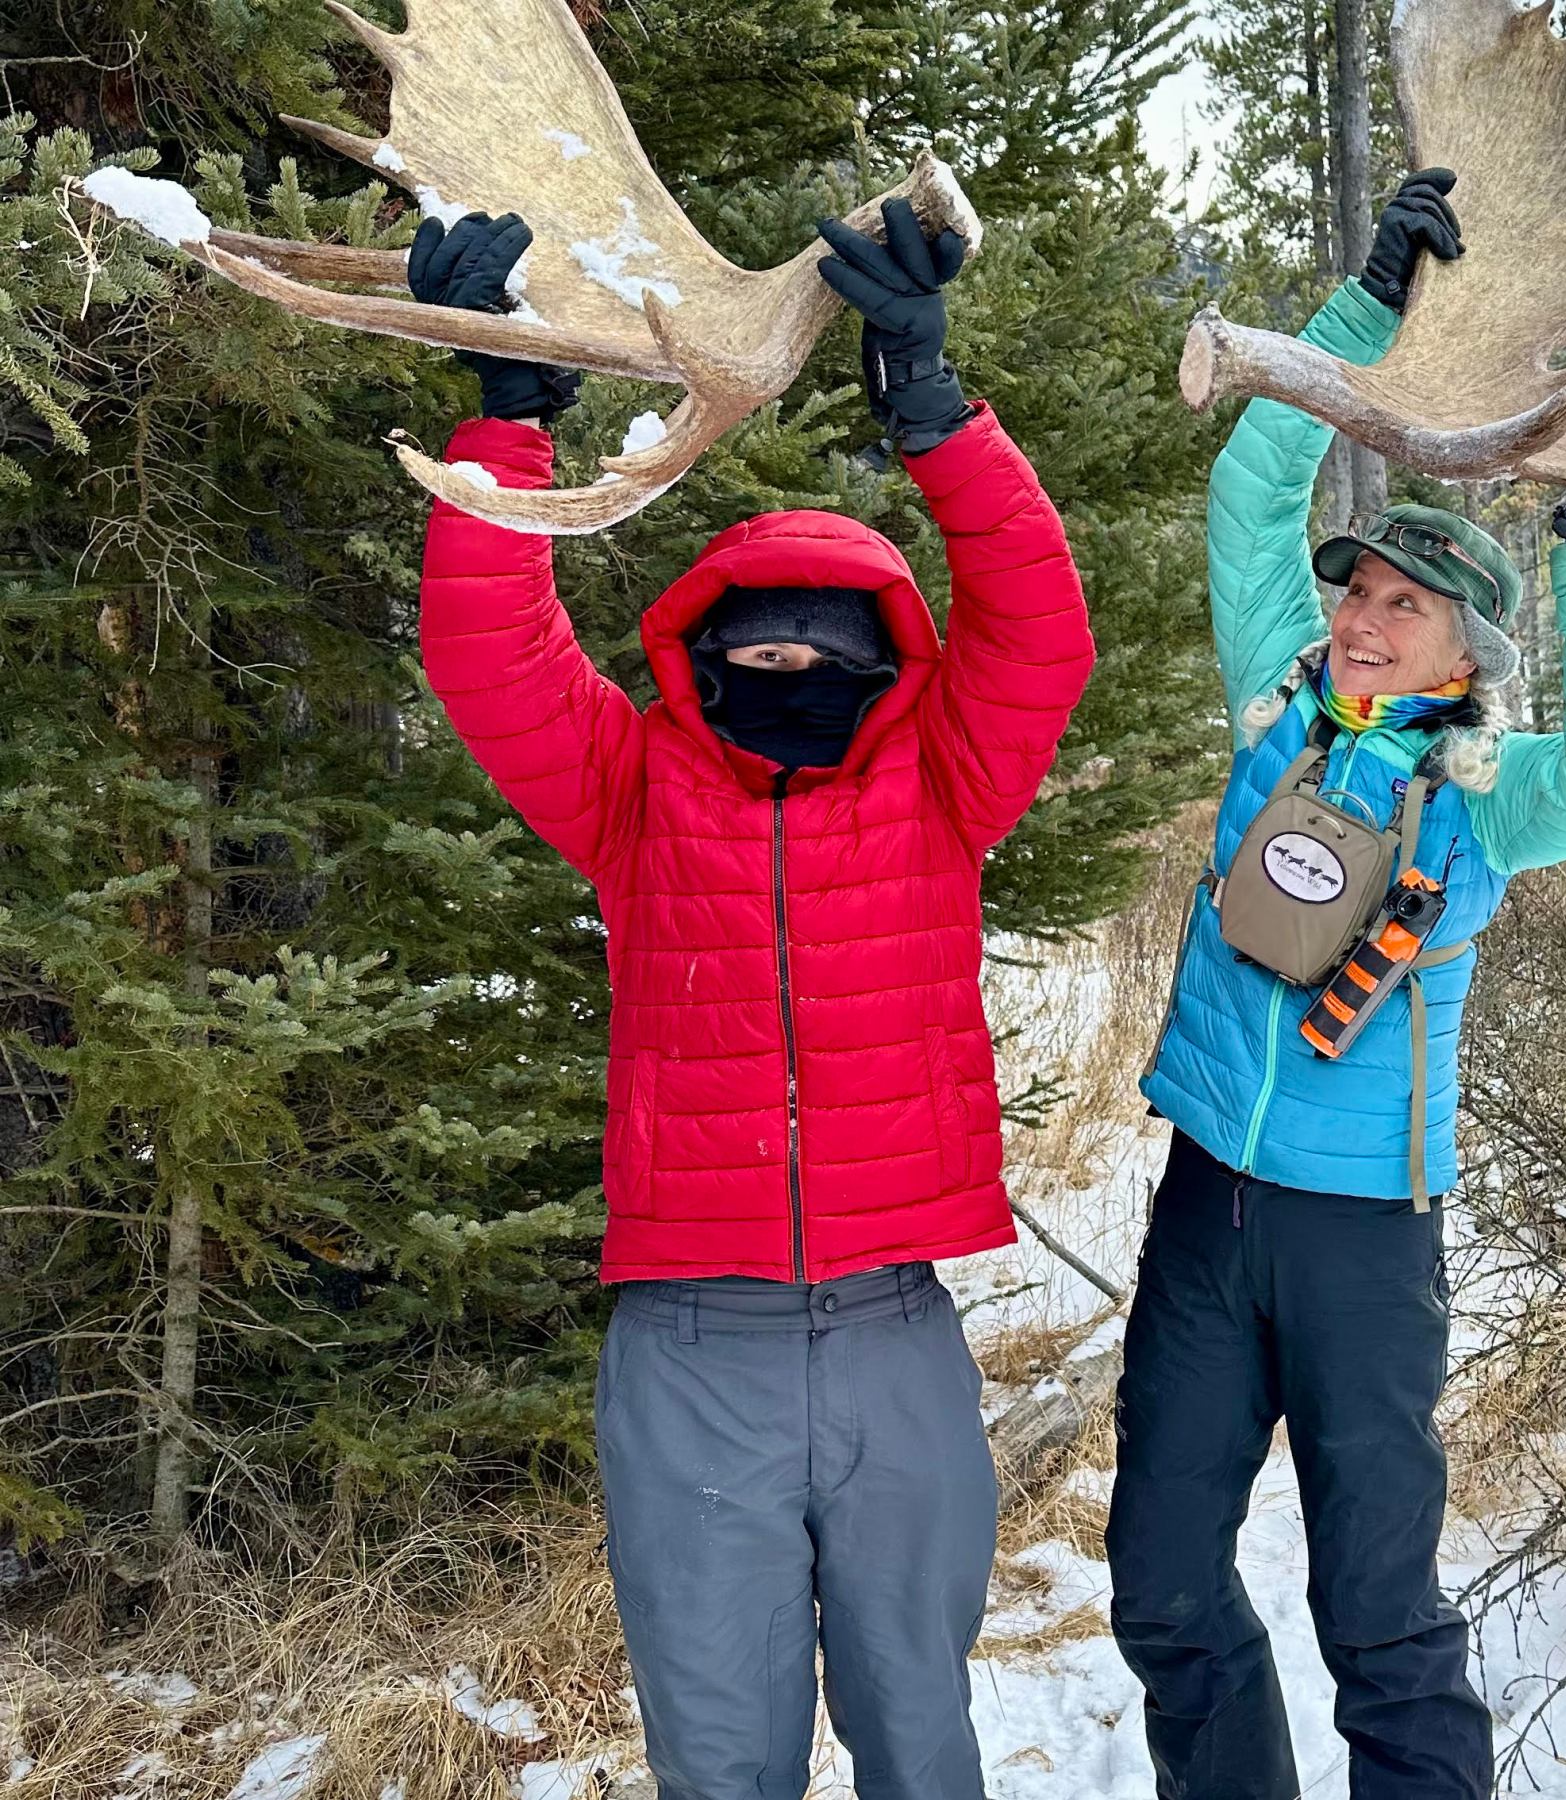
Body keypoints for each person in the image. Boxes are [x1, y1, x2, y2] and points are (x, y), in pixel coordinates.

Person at [409, 202, 1093, 1800]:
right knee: (721, 1758)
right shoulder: (635, 791)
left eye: (827, 658)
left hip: (894, 1331)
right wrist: (504, 429)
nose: (789, 683)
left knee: (923, 1739)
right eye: (754, 659)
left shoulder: (942, 785)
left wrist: (936, 415)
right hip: (690, 1348)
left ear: (885, 661)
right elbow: (493, 656)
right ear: (696, 661)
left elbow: (1037, 635)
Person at [1106, 169, 1566, 1800]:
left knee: (1378, 1611)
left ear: (1460, 657)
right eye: (1359, 589)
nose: (1361, 618)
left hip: (1364, 1238)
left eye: (1403, 607)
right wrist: (1361, 317)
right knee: (1160, 1578)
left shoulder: (1489, 800)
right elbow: (1252, 494)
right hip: (1208, 1205)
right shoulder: (1275, 709)